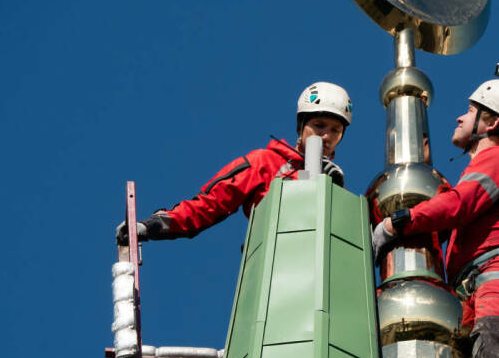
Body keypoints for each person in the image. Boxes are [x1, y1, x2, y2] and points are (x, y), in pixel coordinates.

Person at [372, 67, 499, 358]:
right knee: (468, 355)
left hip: (498, 272)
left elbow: (459, 205)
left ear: (492, 123)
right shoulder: (491, 165)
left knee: (493, 344)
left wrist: (399, 222)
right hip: (477, 281)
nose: (460, 118)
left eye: (471, 111)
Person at [117, 82, 352, 244]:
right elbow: (211, 203)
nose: (326, 136)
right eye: (319, 125)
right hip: (274, 265)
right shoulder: (265, 163)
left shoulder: (335, 181)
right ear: (301, 127)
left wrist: (334, 194)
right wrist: (153, 225)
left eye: (335, 130)